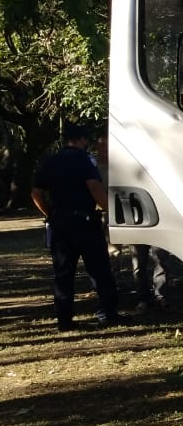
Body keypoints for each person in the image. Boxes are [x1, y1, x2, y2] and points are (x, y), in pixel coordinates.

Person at [31, 123, 121, 331]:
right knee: (99, 270)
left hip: (60, 223)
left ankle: (64, 319)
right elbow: (94, 187)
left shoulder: (50, 161)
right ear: (82, 139)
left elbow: (36, 192)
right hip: (85, 222)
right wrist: (110, 209)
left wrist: (50, 213)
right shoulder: (84, 160)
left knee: (63, 273)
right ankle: (108, 313)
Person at [132, 244, 171, 311]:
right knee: (139, 266)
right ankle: (143, 299)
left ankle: (160, 296)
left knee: (161, 262)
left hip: (158, 234)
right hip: (137, 235)